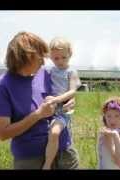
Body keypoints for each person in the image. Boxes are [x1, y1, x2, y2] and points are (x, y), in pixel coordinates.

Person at [0, 31, 79, 169]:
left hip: (64, 151)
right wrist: (38, 115)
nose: (43, 61)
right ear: (25, 58)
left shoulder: (46, 73)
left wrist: (70, 101)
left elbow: (64, 92)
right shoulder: (2, 86)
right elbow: (2, 133)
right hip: (31, 158)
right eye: (39, 58)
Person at [42, 37, 81, 169]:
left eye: (63, 57)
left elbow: (72, 91)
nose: (60, 61)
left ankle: (47, 164)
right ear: (50, 57)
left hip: (63, 110)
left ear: (70, 53)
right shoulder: (49, 71)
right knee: (48, 134)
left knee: (54, 133)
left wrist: (56, 99)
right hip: (49, 108)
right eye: (56, 58)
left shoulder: (71, 72)